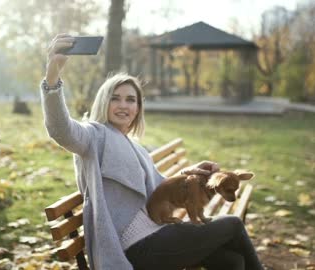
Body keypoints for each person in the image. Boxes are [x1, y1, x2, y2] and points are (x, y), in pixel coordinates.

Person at [41, 33, 263, 270]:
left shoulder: (136, 147)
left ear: (138, 108)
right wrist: (52, 75)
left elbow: (159, 188)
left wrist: (194, 172)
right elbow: (60, 130)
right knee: (232, 225)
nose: (123, 105)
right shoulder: (94, 136)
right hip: (137, 248)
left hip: (158, 232)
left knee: (232, 261)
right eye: (116, 99)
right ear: (104, 102)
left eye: (130, 100)